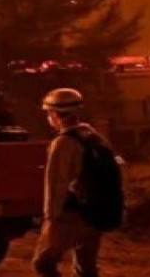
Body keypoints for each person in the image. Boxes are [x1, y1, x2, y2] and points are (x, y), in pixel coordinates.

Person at [32, 88, 105, 277]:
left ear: (55, 114)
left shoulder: (63, 142)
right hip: (95, 212)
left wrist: (51, 216)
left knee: (43, 263)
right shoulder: (93, 136)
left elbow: (56, 182)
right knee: (86, 267)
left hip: (70, 214)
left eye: (49, 113)